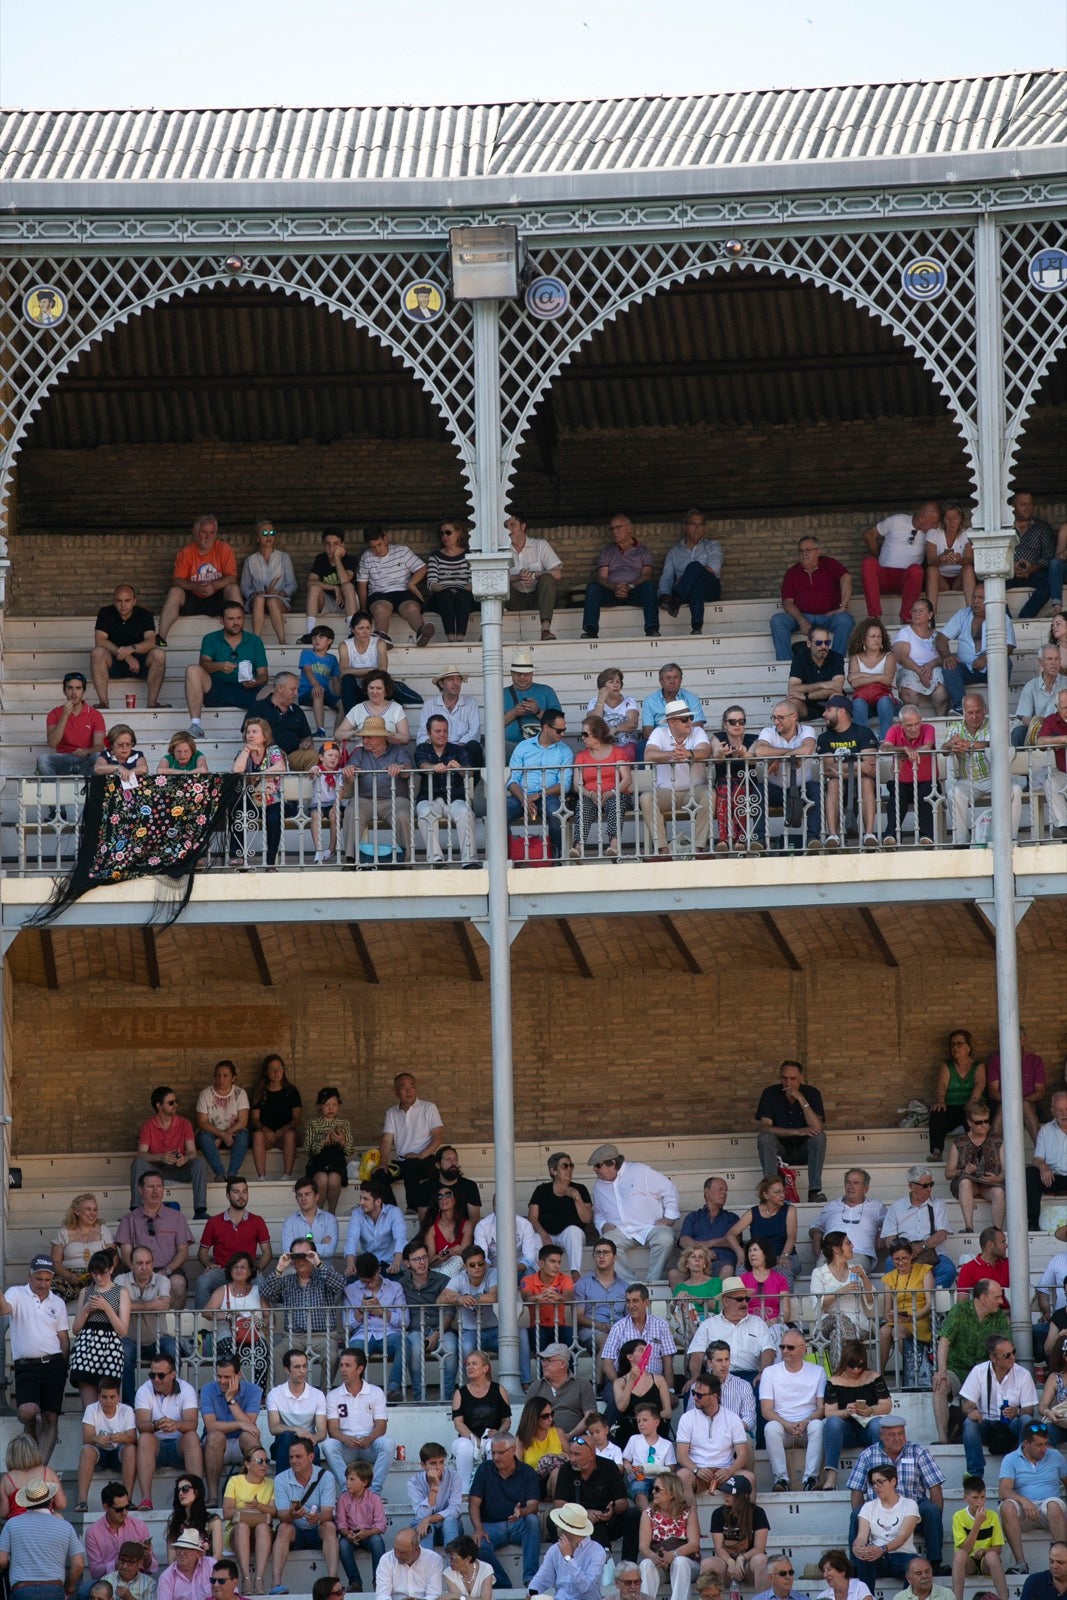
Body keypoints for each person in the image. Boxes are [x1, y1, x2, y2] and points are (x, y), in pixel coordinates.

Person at [846, 1415, 945, 1574]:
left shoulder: (918, 1452)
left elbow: (935, 1486)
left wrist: (935, 1521)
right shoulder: (868, 1455)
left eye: (901, 1433)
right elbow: (856, 1490)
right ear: (881, 1435)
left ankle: (934, 1563)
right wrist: (865, 1516)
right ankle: (857, 1563)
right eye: (892, 1435)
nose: (897, 1438)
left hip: (913, 1508)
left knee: (932, 1511)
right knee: (856, 1514)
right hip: (879, 1509)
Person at [0, 1256, 70, 1465]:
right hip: (26, 1366)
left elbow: (63, 1338)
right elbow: (4, 1309)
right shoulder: (17, 1293)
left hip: (54, 1364)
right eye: (38, 1278)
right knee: (26, 1411)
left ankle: (39, 1467)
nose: (42, 1283)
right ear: (29, 1275)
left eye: (47, 1280)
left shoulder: (57, 1302)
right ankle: (30, 1425)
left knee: (50, 1418)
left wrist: (63, 1367)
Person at [932, 1280, 1010, 1444]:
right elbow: (944, 1340)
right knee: (940, 1385)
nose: (1001, 1302)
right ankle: (942, 1439)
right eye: (997, 1297)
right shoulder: (959, 1311)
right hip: (957, 1371)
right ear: (983, 1298)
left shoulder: (1000, 1318)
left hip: (984, 1374)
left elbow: (1006, 1349)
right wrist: (942, 1371)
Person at [589, 1143, 679, 1284]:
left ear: (612, 1163)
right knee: (604, 1246)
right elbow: (598, 1213)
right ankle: (630, 1285)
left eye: (598, 1166)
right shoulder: (598, 1185)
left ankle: (652, 1283)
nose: (595, 1169)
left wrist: (669, 1217)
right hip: (622, 1231)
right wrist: (603, 1224)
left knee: (666, 1239)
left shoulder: (639, 1171)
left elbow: (669, 1189)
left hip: (650, 1227)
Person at [944, 692, 1023, 845]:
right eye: (970, 712)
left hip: (993, 779)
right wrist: (950, 745)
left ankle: (1010, 838)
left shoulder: (994, 725)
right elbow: (943, 749)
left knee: (1016, 790)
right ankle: (961, 841)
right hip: (968, 781)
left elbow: (998, 742)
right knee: (954, 793)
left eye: (978, 711)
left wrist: (971, 745)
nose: (974, 716)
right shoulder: (955, 728)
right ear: (964, 712)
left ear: (985, 710)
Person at [639, 699, 712, 858]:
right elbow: (648, 754)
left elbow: (706, 751)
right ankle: (663, 851)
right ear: (671, 722)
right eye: (685, 719)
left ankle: (698, 849)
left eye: (690, 718)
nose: (689, 722)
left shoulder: (697, 732)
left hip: (695, 791)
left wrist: (688, 754)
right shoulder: (659, 732)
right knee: (646, 798)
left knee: (709, 795)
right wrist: (672, 755)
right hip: (666, 792)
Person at [184, 601, 269, 738]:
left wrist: (255, 682)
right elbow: (203, 664)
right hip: (218, 690)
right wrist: (219, 666)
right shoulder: (211, 638)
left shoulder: (255, 641)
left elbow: (264, 675)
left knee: (273, 690)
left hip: (247, 690)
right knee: (192, 670)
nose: (236, 622)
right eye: (231, 619)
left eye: (239, 618)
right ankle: (196, 725)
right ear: (222, 620)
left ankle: (259, 733)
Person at [467, 1433, 541, 1589]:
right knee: (476, 1543)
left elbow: (533, 1506)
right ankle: (502, 1584)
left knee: (533, 1521)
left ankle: (531, 1579)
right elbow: (473, 1503)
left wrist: (521, 1513)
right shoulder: (485, 1469)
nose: (496, 1457)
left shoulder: (527, 1472)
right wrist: (478, 1529)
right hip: (491, 1526)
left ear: (513, 1450)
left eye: (500, 1453)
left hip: (518, 1525)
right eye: (493, 1453)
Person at [958, 1335, 1037, 1478]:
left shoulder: (1023, 1374)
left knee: (1025, 1420)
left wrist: (1017, 1411)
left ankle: (1022, 1469)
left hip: (1010, 1425)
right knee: (969, 1423)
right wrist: (972, 1412)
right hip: (986, 1424)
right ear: (993, 1358)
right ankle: (975, 1476)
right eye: (1007, 1355)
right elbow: (966, 1404)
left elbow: (1029, 1410)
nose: (1013, 1357)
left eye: (1014, 1352)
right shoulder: (979, 1372)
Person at [157, 515, 242, 645]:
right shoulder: (186, 552)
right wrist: (196, 586)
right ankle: (161, 638)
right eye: (204, 532)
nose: (208, 537)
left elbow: (232, 577)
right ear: (195, 533)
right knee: (175, 591)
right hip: (194, 598)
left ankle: (242, 637)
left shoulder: (224, 549)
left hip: (217, 598)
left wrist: (214, 585)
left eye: (211, 533)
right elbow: (177, 580)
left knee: (233, 588)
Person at [134, 1353, 203, 1509]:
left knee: (192, 1437)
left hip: (179, 1445)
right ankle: (146, 1499)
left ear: (173, 1375)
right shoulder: (144, 1390)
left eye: (161, 1375)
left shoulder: (186, 1389)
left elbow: (192, 1424)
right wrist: (156, 1425)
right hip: (156, 1446)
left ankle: (197, 1497)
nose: (156, 1379)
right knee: (144, 1438)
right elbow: (141, 1425)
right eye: (152, 1375)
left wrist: (176, 1425)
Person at [553, 1434, 639, 1560]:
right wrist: (583, 1514)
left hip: (607, 1520)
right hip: (580, 1522)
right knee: (553, 1520)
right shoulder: (566, 1469)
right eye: (571, 1454)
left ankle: (628, 1565)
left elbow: (623, 1502)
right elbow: (559, 1504)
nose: (572, 1459)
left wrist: (612, 1510)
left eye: (577, 1455)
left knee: (634, 1514)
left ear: (591, 1455)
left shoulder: (609, 1467)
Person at [323, 1347, 395, 1496]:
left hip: (370, 1445)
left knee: (388, 1444)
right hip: (346, 1446)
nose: (342, 1370)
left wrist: (369, 1439)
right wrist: (345, 1438)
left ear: (360, 1368)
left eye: (347, 1365)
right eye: (341, 1365)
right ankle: (346, 1489)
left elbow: (381, 1426)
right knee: (328, 1446)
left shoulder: (376, 1392)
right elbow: (333, 1429)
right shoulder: (333, 1395)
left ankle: (373, 1492)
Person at [820, 1340, 890, 1492]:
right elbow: (829, 1412)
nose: (856, 1370)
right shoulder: (834, 1381)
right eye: (852, 1365)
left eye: (860, 1365)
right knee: (832, 1422)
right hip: (847, 1432)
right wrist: (846, 1411)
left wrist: (870, 1410)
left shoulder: (873, 1377)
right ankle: (831, 1476)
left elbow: (887, 1405)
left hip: (868, 1429)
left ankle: (880, 1473)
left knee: (878, 1423)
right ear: (845, 1362)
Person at [998, 1420, 1067, 1574]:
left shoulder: (1055, 1455)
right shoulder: (1011, 1459)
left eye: (1045, 1444)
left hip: (1050, 1510)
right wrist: (1024, 1501)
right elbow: (1003, 1491)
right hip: (1024, 1511)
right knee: (1007, 1506)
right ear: (1026, 1444)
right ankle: (1021, 1564)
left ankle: (1064, 1559)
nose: (1044, 1449)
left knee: (1054, 1505)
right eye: (1039, 1445)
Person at [754, 1059, 827, 1204]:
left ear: (801, 1078)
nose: (788, 1083)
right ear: (780, 1077)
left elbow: (817, 1126)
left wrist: (800, 1098)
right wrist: (798, 1131)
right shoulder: (770, 1093)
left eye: (793, 1078)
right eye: (784, 1078)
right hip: (779, 1152)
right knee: (764, 1137)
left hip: (804, 1151)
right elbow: (765, 1127)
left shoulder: (812, 1093)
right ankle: (771, 1190)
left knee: (819, 1136)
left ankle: (814, 1191)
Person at [761, 1331, 826, 1492]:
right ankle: (781, 1479)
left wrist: (805, 1422)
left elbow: (822, 1408)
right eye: (782, 1347)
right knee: (771, 1428)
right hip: (783, 1428)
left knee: (818, 1425)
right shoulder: (770, 1372)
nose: (785, 1351)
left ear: (803, 1349)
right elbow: (766, 1410)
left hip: (808, 1426)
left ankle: (811, 1478)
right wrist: (787, 1425)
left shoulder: (818, 1371)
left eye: (790, 1347)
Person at [272, 1437, 340, 1590]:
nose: (294, 1461)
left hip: (318, 1530)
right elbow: (282, 1515)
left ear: (311, 1457)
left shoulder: (326, 1476)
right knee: (283, 1527)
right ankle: (276, 1583)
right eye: (291, 1457)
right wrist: (292, 1515)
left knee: (329, 1526)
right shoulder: (281, 1479)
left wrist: (318, 1518)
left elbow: (328, 1513)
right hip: (295, 1532)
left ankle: (332, 1581)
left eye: (298, 1457)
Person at [751, 701, 821, 851]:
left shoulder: (807, 730)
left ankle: (813, 837)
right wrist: (790, 755)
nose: (776, 722)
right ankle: (759, 838)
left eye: (780, 718)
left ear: (794, 717)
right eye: (774, 718)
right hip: (777, 788)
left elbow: (807, 749)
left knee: (817, 789)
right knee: (758, 790)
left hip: (803, 787)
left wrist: (777, 759)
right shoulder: (768, 731)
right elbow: (760, 751)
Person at [771, 536, 853, 662]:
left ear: (818, 551)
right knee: (777, 621)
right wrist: (802, 621)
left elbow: (846, 577)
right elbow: (787, 603)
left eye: (808, 550)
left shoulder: (829, 564)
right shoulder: (792, 572)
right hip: (802, 616)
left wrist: (844, 606)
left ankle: (836, 662)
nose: (804, 554)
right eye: (801, 551)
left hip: (828, 616)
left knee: (845, 619)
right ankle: (786, 665)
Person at [507, 707, 574, 860]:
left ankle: (556, 859)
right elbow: (512, 780)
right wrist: (523, 798)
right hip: (521, 796)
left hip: (548, 796)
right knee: (498, 813)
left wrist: (538, 795)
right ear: (545, 728)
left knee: (556, 812)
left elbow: (565, 784)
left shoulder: (565, 751)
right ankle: (507, 858)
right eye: (559, 730)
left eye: (564, 730)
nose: (563, 734)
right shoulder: (523, 747)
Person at [935, 584, 1016, 711]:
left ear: (989, 599)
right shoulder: (963, 614)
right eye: (974, 597)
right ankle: (960, 708)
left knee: (1005, 662)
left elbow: (1009, 647)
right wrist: (948, 656)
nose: (976, 601)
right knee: (948, 666)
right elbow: (941, 638)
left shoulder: (1002, 617)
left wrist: (987, 658)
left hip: (991, 667)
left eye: (981, 598)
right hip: (966, 668)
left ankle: (998, 707)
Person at [396, 1240, 458, 1403]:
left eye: (424, 1257)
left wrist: (437, 1334)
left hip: (442, 1329)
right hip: (415, 1330)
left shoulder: (442, 1280)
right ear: (407, 1263)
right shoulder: (401, 1284)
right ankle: (420, 1398)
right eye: (417, 1259)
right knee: (415, 1349)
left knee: (451, 1349)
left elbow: (450, 1312)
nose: (422, 1262)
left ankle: (446, 1397)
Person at [0, 1477, 84, 1597]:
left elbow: (1, 1560)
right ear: (50, 1501)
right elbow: (79, 1564)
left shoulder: (12, 1524)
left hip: (22, 1590)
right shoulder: (65, 1526)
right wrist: (69, 1587)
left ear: (26, 1502)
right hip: (54, 1589)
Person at [131, 1087, 208, 1216]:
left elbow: (192, 1152)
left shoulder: (185, 1124)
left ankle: (200, 1211)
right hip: (156, 1171)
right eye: (171, 1103)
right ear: (159, 1106)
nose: (176, 1105)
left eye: (176, 1101)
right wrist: (161, 1157)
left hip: (180, 1169)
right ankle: (135, 1211)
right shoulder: (148, 1125)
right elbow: (141, 1153)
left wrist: (185, 1158)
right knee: (138, 1163)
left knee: (199, 1162)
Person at [195, 1179, 271, 1309]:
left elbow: (267, 1252)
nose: (241, 1196)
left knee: (261, 1282)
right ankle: (202, 1327)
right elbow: (202, 1252)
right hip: (223, 1271)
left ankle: (265, 1325)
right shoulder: (214, 1222)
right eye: (236, 1191)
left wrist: (258, 1269)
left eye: (244, 1192)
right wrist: (209, 1265)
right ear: (227, 1195)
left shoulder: (257, 1221)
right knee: (203, 1281)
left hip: (247, 1270)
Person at [686, 1280, 776, 1387]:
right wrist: (695, 1377)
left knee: (762, 1390)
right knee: (691, 1393)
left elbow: (769, 1350)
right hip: (717, 1376)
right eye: (739, 1299)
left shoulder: (758, 1323)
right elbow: (697, 1354)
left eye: (746, 1299)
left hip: (750, 1375)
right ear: (726, 1302)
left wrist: (762, 1373)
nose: (744, 1303)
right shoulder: (708, 1325)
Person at [414, 715, 478, 867]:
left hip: (454, 798)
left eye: (445, 731)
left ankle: (469, 860)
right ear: (429, 733)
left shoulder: (458, 750)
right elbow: (422, 765)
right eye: (437, 731)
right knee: (425, 814)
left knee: (465, 813)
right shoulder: (422, 748)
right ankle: (436, 859)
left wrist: (459, 768)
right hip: (429, 797)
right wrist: (433, 767)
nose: (442, 734)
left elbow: (469, 773)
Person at [70, 1250, 131, 1408]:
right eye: (94, 1273)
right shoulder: (86, 1291)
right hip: (86, 1346)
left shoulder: (121, 1292)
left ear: (111, 1269)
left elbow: (123, 1330)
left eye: (102, 1273)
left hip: (110, 1347)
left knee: (108, 1404)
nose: (98, 1278)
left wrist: (106, 1308)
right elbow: (76, 1329)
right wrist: (86, 1309)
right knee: (90, 1408)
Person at [582, 513, 659, 639]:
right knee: (592, 587)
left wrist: (629, 586)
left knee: (649, 586)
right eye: (612, 528)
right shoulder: (607, 552)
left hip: (635, 591)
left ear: (629, 528)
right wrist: (614, 587)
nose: (614, 532)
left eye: (618, 528)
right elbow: (601, 577)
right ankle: (591, 631)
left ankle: (652, 630)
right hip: (612, 592)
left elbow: (647, 575)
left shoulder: (644, 551)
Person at [817, 694, 880, 847]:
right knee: (833, 783)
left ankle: (869, 834)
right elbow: (827, 768)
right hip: (839, 785)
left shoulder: (864, 733)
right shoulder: (824, 738)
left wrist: (840, 769)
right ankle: (833, 836)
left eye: (828, 710)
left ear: (842, 712)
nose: (824, 714)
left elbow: (870, 768)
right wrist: (857, 766)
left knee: (865, 781)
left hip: (863, 786)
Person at [676, 1373, 754, 1498]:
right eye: (693, 1393)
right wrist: (697, 1470)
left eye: (700, 1395)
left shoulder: (732, 1418)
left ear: (714, 1396)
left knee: (749, 1477)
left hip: (725, 1473)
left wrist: (729, 1471)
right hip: (697, 1473)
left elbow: (743, 1455)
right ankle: (691, 1517)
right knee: (683, 1476)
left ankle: (749, 1518)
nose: (695, 1398)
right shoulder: (687, 1418)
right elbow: (681, 1455)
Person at [356, 524, 434, 647]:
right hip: (379, 594)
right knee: (380, 609)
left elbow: (422, 568)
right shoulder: (366, 557)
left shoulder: (402, 550)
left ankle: (421, 632)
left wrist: (411, 584)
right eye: (373, 547)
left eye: (379, 544)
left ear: (385, 539)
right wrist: (364, 609)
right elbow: (362, 585)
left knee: (411, 607)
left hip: (403, 591)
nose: (377, 550)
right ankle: (382, 637)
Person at [200, 1354, 263, 1505]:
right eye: (219, 1376)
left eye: (227, 1377)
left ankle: (254, 1496)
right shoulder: (208, 1390)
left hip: (242, 1443)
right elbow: (210, 1426)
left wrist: (230, 1399)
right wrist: (240, 1424)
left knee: (250, 1437)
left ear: (238, 1375)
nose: (222, 1381)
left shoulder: (254, 1390)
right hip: (216, 1445)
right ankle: (213, 1497)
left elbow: (250, 1425)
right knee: (215, 1436)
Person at [92, 585, 167, 710]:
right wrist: (126, 655)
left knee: (159, 654)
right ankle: (103, 703)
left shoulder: (144, 614)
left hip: (140, 664)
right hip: (114, 663)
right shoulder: (105, 612)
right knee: (97, 652)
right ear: (114, 601)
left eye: (127, 601)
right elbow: (100, 640)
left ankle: (152, 703)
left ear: (134, 601)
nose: (123, 605)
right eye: (119, 601)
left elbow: (151, 641)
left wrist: (131, 649)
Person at [342, 1253, 407, 1397]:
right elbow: (346, 1325)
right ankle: (359, 1392)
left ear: (378, 1270)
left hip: (389, 1333)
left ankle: (392, 1389)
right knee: (352, 1353)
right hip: (361, 1334)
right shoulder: (350, 1289)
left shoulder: (395, 1287)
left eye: (371, 1280)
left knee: (405, 1344)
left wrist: (381, 1312)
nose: (369, 1284)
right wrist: (360, 1310)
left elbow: (405, 1320)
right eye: (364, 1281)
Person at [861, 502, 938, 624]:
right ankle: (874, 616)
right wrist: (877, 556)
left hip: (904, 580)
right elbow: (869, 535)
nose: (935, 526)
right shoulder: (897, 520)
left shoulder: (931, 534)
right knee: (868, 562)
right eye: (933, 522)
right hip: (884, 577)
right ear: (922, 517)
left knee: (916, 570)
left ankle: (907, 616)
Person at [379, 1073, 445, 1212]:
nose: (409, 1091)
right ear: (396, 1092)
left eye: (412, 1087)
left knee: (411, 1165)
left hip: (426, 1160)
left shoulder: (429, 1108)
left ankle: (413, 1207)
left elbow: (438, 1137)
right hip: (402, 1162)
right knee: (378, 1175)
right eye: (404, 1088)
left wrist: (420, 1155)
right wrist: (383, 1163)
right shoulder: (391, 1112)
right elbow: (386, 1140)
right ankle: (393, 1211)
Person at [571, 713, 632, 859]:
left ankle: (613, 846)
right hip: (591, 796)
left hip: (615, 794)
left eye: (586, 734)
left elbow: (626, 779)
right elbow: (577, 784)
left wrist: (612, 792)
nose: (583, 738)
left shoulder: (617, 752)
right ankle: (578, 848)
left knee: (615, 803)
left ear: (597, 734)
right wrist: (590, 794)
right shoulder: (581, 756)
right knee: (583, 805)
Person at [449, 1349, 513, 1489]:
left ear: (485, 1368)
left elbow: (506, 1420)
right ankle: (464, 1490)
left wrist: (499, 1433)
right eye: (468, 1364)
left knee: (494, 1445)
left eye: (474, 1364)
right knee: (465, 1447)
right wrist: (475, 1440)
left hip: (491, 1437)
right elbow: (458, 1423)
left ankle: (495, 1488)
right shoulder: (460, 1393)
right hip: (467, 1438)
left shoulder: (498, 1390)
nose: (470, 1367)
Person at [851, 1462, 920, 1590]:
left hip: (902, 1555)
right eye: (873, 1483)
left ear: (893, 1481)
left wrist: (882, 1549)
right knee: (864, 1556)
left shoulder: (909, 1504)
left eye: (880, 1482)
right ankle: (868, 1597)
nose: (876, 1487)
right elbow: (861, 1535)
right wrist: (857, 1547)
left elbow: (903, 1536)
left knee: (915, 1566)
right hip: (878, 1557)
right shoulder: (868, 1506)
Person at [879, 1240, 935, 1390]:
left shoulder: (924, 1270)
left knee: (895, 1331)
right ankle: (880, 1376)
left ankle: (913, 1372)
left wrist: (913, 1317)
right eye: (896, 1259)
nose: (901, 1262)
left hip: (920, 1318)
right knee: (884, 1331)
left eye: (904, 1258)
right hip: (899, 1319)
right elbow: (886, 1311)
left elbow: (930, 1304)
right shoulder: (889, 1277)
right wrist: (891, 1316)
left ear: (911, 1256)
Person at [725, 1177, 799, 1287]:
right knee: (741, 1271)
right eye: (777, 1192)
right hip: (758, 1258)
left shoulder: (790, 1210)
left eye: (783, 1191)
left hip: (784, 1256)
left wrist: (784, 1255)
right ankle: (748, 1303)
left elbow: (791, 1236)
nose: (783, 1195)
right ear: (765, 1195)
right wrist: (740, 1252)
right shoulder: (753, 1212)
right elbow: (730, 1234)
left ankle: (783, 1303)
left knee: (783, 1270)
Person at [659, 509, 724, 635]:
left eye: (701, 524)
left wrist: (685, 578)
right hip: (690, 593)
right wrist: (664, 595)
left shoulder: (712, 545)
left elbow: (714, 567)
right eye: (693, 524)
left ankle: (677, 600)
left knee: (695, 566)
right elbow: (666, 578)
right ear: (685, 527)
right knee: (696, 584)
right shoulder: (674, 552)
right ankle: (696, 627)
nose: (697, 528)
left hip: (710, 589)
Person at [221, 1443, 275, 1595]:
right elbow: (226, 1512)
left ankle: (259, 1579)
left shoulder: (271, 1483)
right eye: (259, 1461)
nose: (264, 1465)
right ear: (247, 1464)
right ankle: (246, 1578)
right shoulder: (235, 1481)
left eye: (266, 1461)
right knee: (243, 1526)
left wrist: (258, 1506)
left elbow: (274, 1512)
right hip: (237, 1532)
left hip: (261, 1533)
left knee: (263, 1528)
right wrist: (247, 1511)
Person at [636, 1475, 700, 1600]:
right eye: (653, 1489)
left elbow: (694, 1545)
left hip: (687, 1563)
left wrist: (673, 1554)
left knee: (680, 1562)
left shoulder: (688, 1512)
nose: (653, 1492)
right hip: (661, 1563)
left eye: (658, 1489)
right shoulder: (648, 1514)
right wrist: (654, 1556)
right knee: (646, 1564)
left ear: (672, 1493)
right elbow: (643, 1546)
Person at [810, 1236, 875, 1359]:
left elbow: (870, 1301)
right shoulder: (819, 1273)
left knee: (837, 1334)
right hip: (827, 1323)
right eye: (848, 1243)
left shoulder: (856, 1270)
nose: (852, 1246)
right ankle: (852, 1367)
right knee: (838, 1319)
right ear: (836, 1248)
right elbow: (819, 1306)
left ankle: (837, 1375)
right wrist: (842, 1290)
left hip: (857, 1325)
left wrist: (864, 1278)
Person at [810, 1170, 886, 1275]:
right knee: (821, 1273)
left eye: (856, 1183)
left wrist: (881, 1234)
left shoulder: (877, 1207)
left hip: (859, 1254)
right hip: (831, 1253)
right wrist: (816, 1236)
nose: (850, 1186)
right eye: (848, 1182)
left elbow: (890, 1224)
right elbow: (815, 1226)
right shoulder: (831, 1206)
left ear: (865, 1188)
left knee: (851, 1276)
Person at [78, 1376, 138, 1507]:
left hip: (119, 1454)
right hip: (99, 1453)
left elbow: (133, 1439)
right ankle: (82, 1501)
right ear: (98, 1396)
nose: (108, 1401)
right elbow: (86, 1438)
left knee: (130, 1450)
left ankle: (128, 1500)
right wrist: (96, 1439)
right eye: (104, 1397)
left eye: (112, 1397)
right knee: (86, 1451)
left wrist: (122, 1437)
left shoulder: (127, 1410)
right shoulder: (91, 1409)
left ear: (118, 1397)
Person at [600, 1283, 677, 1384]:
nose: (630, 1306)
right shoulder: (618, 1327)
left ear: (646, 1302)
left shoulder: (661, 1325)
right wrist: (620, 1385)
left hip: (653, 1383)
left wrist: (669, 1390)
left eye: (635, 1301)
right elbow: (607, 1363)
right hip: (624, 1380)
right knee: (613, 1396)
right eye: (628, 1301)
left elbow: (668, 1363)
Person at [928, 1029, 987, 1160]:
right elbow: (942, 1084)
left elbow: (980, 1084)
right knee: (937, 1113)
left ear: (969, 1047)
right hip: (951, 1105)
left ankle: (975, 1155)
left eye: (959, 1043)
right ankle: (936, 1153)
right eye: (953, 1044)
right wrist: (940, 1100)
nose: (955, 1047)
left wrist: (972, 1101)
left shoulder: (978, 1065)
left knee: (974, 1115)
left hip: (971, 1104)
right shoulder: (947, 1065)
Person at [945, 1102, 1004, 1232]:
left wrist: (998, 1178)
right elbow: (948, 1173)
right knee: (965, 1181)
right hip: (968, 1184)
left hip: (990, 1184)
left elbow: (1006, 1170)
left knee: (999, 1192)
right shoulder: (960, 1142)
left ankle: (997, 1231)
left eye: (987, 1121)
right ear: (969, 1123)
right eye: (979, 1122)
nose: (984, 1125)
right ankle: (969, 1227)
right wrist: (963, 1170)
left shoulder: (998, 1140)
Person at [265, 1348, 327, 1471]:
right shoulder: (275, 1394)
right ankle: (282, 1486)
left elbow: (322, 1431)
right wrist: (296, 1430)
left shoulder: (317, 1395)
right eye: (297, 1367)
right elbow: (274, 1428)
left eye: (304, 1366)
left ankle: (315, 1487)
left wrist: (313, 1438)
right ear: (287, 1370)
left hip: (307, 1441)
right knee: (288, 1436)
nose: (302, 1371)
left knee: (311, 1447)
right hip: (283, 1442)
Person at [705, 1475, 769, 1593]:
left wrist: (741, 1558)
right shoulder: (718, 1514)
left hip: (749, 1565)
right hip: (727, 1565)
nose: (726, 1495)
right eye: (725, 1491)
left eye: (731, 1493)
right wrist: (730, 1562)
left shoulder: (758, 1513)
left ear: (743, 1497)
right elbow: (719, 1548)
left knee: (761, 1560)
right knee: (707, 1564)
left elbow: (759, 1548)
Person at [529, 1502, 607, 1600]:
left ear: (567, 1529)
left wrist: (569, 1558)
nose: (556, 1526)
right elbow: (541, 1579)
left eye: (558, 1524)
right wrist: (531, 1593)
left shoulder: (597, 1551)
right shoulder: (555, 1549)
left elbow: (587, 1588)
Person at [37, 670, 106, 778]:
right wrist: (65, 715)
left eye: (78, 688)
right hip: (63, 759)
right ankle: (51, 793)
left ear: (83, 691)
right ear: (64, 691)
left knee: (99, 757)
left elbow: (100, 746)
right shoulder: (54, 713)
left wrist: (87, 751)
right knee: (43, 759)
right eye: (70, 688)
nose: (74, 693)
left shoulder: (95, 715)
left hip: (85, 760)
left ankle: (93, 792)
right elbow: (53, 743)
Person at [504, 512, 562, 640]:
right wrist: (519, 577)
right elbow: (496, 577)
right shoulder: (502, 550)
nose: (508, 529)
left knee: (548, 578)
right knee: (499, 583)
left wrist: (534, 575)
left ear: (523, 526)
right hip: (515, 600)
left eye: (512, 525)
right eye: (505, 525)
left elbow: (557, 573)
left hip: (538, 598)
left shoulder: (540, 545)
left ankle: (545, 630)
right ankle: (489, 632)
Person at [239, 519, 297, 646]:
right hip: (257, 600)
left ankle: (282, 641)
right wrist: (254, 593)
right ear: (257, 537)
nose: (269, 536)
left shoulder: (283, 557)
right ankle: (256, 642)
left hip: (277, 599)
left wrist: (280, 592)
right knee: (260, 599)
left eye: (272, 532)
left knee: (271, 600)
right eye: (264, 533)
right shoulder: (250, 560)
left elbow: (292, 584)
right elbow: (244, 586)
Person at [51, 1192, 116, 1302]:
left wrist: (102, 1272)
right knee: (50, 1290)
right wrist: (68, 1275)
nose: (92, 1213)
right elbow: (54, 1261)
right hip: (70, 1276)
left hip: (97, 1274)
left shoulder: (103, 1230)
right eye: (88, 1209)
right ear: (77, 1211)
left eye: (95, 1209)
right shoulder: (65, 1232)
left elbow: (113, 1256)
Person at [1006, 490, 1061, 617]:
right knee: (989, 584)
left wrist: (1033, 568)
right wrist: (1011, 565)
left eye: (1030, 504)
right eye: (1023, 504)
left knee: (1048, 583)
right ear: (1013, 507)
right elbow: (996, 553)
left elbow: (1049, 554)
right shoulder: (1005, 528)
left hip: (1034, 572)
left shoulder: (1042, 527)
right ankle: (1005, 619)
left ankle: (1026, 616)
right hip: (1009, 572)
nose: (1027, 507)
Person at [951, 1476, 1007, 1600]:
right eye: (975, 1498)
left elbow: (998, 1548)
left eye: (982, 1497)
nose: (980, 1502)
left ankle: (1004, 1598)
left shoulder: (992, 1516)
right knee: (959, 1555)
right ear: (966, 1498)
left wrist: (985, 1551)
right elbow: (965, 1549)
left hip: (986, 1561)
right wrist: (977, 1524)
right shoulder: (958, 1517)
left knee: (992, 1556)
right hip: (968, 1562)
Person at [610, 1339, 675, 1445]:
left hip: (656, 1434)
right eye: (641, 1350)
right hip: (630, 1437)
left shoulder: (658, 1380)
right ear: (630, 1357)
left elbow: (667, 1412)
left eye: (647, 1350)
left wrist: (647, 1420)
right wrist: (631, 1381)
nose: (647, 1353)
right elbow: (621, 1407)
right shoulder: (619, 1382)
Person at [302, 1086, 355, 1214]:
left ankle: (331, 1214)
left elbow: (349, 1150)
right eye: (327, 1105)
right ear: (320, 1105)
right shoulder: (312, 1124)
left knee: (334, 1179)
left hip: (337, 1160)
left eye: (334, 1105)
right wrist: (322, 1142)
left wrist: (341, 1141)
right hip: (318, 1161)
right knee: (321, 1178)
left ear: (338, 1106)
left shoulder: (344, 1124)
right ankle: (317, 1214)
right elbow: (307, 1150)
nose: (331, 1108)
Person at [250, 672, 318, 772]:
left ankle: (307, 787)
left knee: (312, 755)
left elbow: (306, 735)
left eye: (297, 690)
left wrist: (307, 741)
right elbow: (248, 735)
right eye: (293, 689)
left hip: (291, 757)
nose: (296, 694)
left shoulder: (297, 710)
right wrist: (273, 751)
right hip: (266, 756)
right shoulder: (259, 707)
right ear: (280, 688)